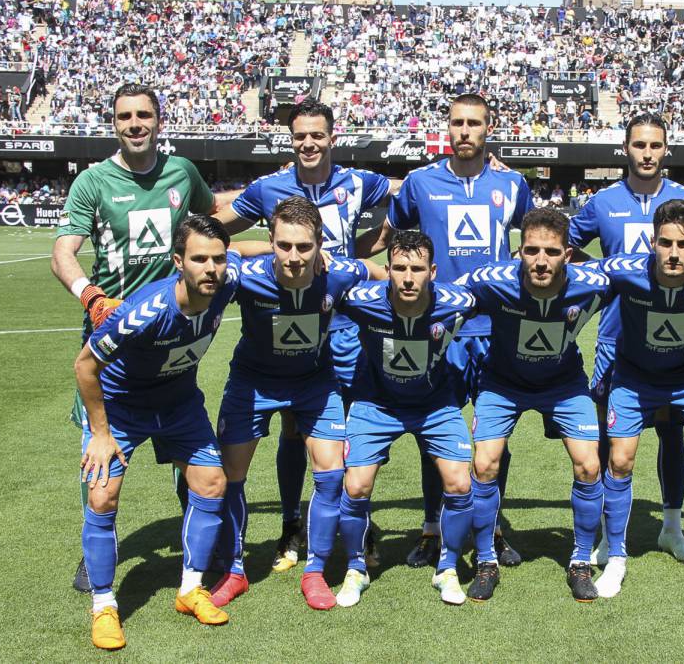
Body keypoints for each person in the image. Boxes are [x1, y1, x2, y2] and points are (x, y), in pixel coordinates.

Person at [52, 83, 233, 594]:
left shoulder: (182, 172)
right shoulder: (93, 181)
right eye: (125, 116)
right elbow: (63, 252)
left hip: (173, 328)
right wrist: (89, 294)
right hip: (115, 336)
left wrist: (268, 196)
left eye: (144, 115)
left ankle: (200, 545)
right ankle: (99, 550)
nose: (135, 124)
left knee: (186, 444)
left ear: (159, 120)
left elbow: (213, 215)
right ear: (114, 123)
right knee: (101, 456)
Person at [215, 98, 393, 573]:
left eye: (317, 135)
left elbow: (409, 189)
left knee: (349, 432)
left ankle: (358, 521)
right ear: (290, 140)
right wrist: (262, 250)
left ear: (333, 137)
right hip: (291, 326)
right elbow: (217, 229)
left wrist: (480, 163)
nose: (309, 143)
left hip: (345, 327)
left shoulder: (358, 182)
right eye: (300, 136)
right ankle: (292, 521)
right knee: (293, 428)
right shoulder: (268, 188)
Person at [358, 93, 533, 569]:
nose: (465, 131)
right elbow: (391, 238)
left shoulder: (513, 183)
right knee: (433, 433)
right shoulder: (420, 182)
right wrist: (345, 258)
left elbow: (538, 236)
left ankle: (492, 528)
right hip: (439, 330)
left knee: (495, 437)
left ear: (488, 128)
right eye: (457, 123)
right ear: (447, 128)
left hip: (495, 329)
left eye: (474, 123)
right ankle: (432, 529)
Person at [568, 112, 684, 564]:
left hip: (677, 342)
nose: (647, 153)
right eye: (639, 145)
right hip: (616, 339)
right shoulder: (602, 202)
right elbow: (565, 246)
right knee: (611, 442)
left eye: (655, 145)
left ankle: (671, 528)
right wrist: (597, 270)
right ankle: (608, 534)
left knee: (673, 430)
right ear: (625, 148)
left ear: (666, 150)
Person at [76, 216, 239, 650]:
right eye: (199, 259)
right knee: (102, 496)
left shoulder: (227, 281)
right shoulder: (144, 313)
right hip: (122, 409)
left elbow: (250, 252)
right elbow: (85, 366)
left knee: (212, 482)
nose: (210, 268)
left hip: (179, 404)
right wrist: (100, 433)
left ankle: (190, 589)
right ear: (178, 262)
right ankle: (104, 606)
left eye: (218, 259)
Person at [206, 197, 377, 610]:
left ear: (320, 245)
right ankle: (234, 570)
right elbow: (221, 254)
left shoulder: (338, 274)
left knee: (331, 474)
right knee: (230, 476)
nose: (294, 257)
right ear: (271, 241)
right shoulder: (246, 277)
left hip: (314, 384)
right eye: (284, 245)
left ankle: (314, 571)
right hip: (253, 383)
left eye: (304, 247)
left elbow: (375, 271)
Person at [454, 207, 610, 602]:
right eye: (532, 250)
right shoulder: (491, 280)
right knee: (484, 464)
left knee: (590, 465)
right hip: (502, 383)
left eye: (552, 252)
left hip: (563, 384)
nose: (541, 261)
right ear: (518, 251)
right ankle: (486, 561)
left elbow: (641, 273)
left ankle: (580, 562)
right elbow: (443, 297)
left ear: (568, 255)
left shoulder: (592, 283)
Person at [591, 199, 684, 600]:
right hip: (634, 378)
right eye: (665, 243)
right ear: (652, 242)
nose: (674, 253)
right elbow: (574, 278)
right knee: (620, 460)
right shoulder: (624, 271)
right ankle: (616, 557)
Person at [334, 230, 478, 607]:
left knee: (460, 483)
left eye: (417, 269)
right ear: (388, 270)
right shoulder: (361, 300)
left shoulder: (459, 302)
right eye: (399, 268)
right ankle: (355, 568)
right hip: (376, 403)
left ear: (433, 271)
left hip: (435, 404)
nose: (408, 278)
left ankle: (447, 568)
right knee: (356, 486)